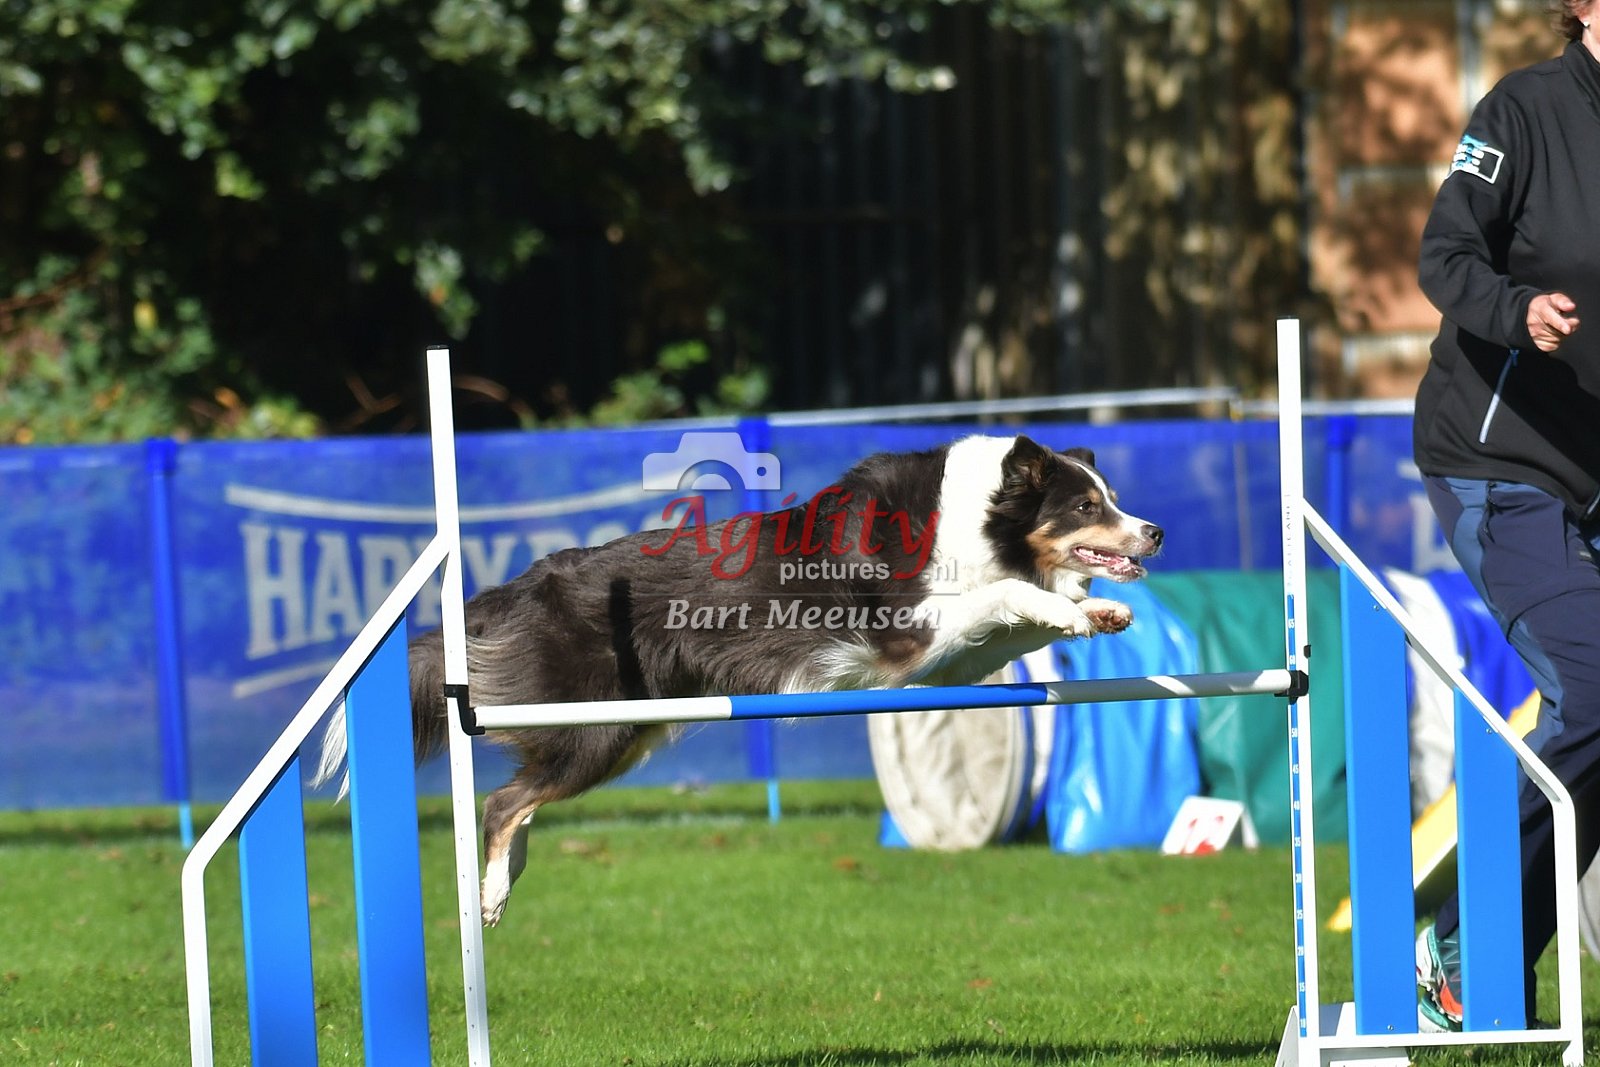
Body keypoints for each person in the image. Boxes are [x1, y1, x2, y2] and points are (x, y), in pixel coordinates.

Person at [1412, 0, 1600, 1033]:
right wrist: (1517, 312)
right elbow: (1444, 257)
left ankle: (1490, 954)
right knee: (1597, 689)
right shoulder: (1523, 111)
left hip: (1596, 474)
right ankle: (1461, 937)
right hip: (1501, 461)